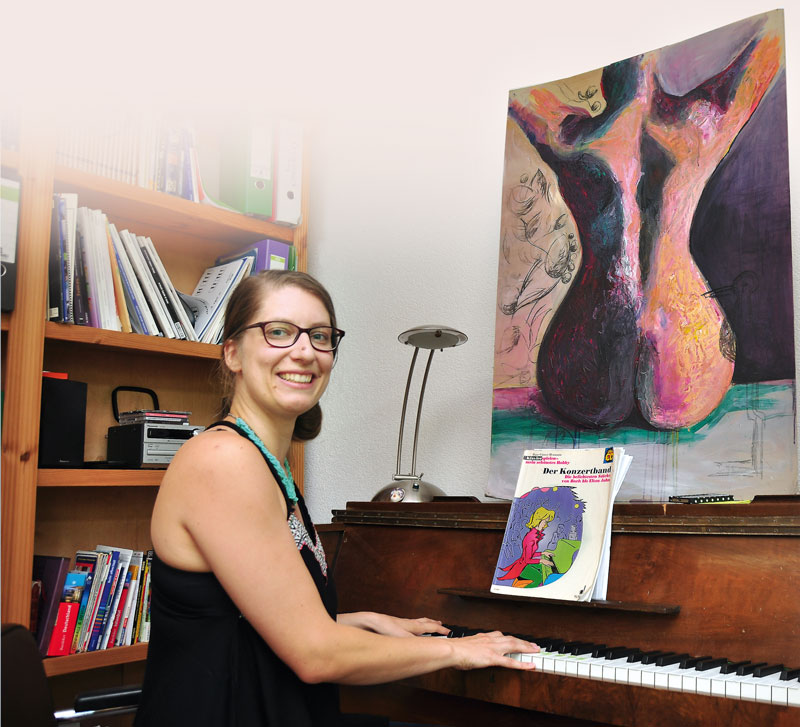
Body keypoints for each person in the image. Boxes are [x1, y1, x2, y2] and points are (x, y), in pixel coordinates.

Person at [134, 270, 539, 727]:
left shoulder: (267, 463)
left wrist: (360, 619)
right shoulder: (224, 460)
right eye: (279, 332)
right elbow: (314, 654)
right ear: (233, 352)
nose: (305, 351)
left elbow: (241, 621)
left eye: (320, 336)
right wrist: (457, 650)